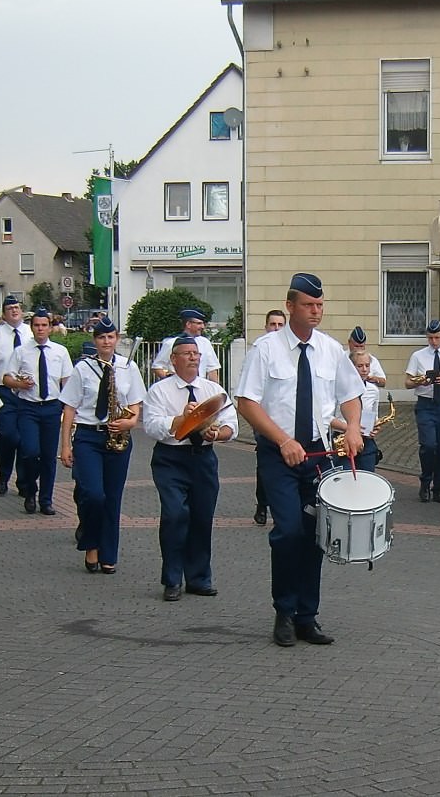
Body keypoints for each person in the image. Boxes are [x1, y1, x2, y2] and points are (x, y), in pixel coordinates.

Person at [236, 272, 363, 647]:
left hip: (318, 454)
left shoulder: (330, 349)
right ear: (290, 306)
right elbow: (246, 402)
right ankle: (284, 611)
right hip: (279, 455)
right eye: (309, 305)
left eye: (320, 305)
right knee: (289, 531)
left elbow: (350, 395)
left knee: (315, 535)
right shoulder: (266, 349)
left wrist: (353, 427)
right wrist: (282, 440)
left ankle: (307, 616)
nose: (316, 311)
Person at [142, 336, 240, 601]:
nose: (193, 357)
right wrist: (182, 419)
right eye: (186, 353)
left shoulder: (213, 390)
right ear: (173, 360)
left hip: (203, 459)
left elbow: (231, 425)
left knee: (201, 517)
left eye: (196, 353)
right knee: (174, 515)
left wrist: (217, 434)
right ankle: (172, 579)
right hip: (171, 458)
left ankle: (198, 578)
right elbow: (151, 425)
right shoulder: (160, 391)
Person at [59, 318, 146, 574]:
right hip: (88, 436)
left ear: (116, 339)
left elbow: (135, 403)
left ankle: (108, 554)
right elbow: (69, 408)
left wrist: (131, 422)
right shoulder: (83, 368)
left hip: (118, 435)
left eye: (110, 337)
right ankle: (91, 544)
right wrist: (65, 446)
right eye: (101, 337)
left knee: (112, 498)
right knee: (93, 495)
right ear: (95, 340)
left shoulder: (128, 367)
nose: (106, 342)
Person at [6, 308, 73, 516]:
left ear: (50, 328)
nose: (40, 329)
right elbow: (6, 378)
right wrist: (19, 384)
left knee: (48, 456)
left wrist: (70, 410)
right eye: (36, 325)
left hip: (52, 407)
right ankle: (30, 489)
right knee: (30, 451)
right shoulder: (21, 351)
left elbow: (67, 382)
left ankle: (46, 500)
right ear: (32, 327)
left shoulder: (60, 352)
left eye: (44, 325)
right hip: (28, 407)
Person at [404, 319, 440, 502]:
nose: (434, 341)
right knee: (429, 445)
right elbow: (407, 382)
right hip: (425, 404)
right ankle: (425, 482)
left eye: (437, 337)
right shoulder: (418, 356)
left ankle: (438, 487)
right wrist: (420, 381)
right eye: (430, 338)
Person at [0, 297, 32, 496]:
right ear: (3, 314)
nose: (14, 311)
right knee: (9, 436)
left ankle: (23, 481)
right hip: (3, 392)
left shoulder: (30, 333)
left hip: (26, 392)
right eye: (10, 308)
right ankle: (4, 475)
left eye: (17, 307)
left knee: (25, 439)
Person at [252, 308, 288, 526]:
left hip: (286, 417)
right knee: (266, 463)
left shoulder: (290, 350)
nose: (276, 328)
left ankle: (280, 507)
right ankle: (262, 504)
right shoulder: (259, 349)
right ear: (266, 326)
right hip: (264, 416)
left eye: (280, 325)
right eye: (272, 324)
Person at [151, 308, 221, 384]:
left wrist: (216, 389)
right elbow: (157, 367)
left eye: (203, 324)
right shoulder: (171, 343)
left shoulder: (205, 343)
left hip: (199, 387)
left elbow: (212, 369)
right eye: (199, 323)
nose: (202, 327)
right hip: (177, 387)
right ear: (188, 324)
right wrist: (171, 382)